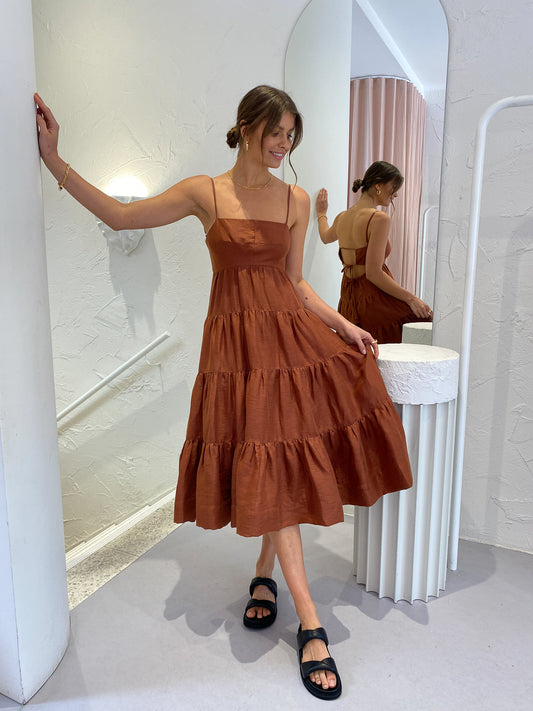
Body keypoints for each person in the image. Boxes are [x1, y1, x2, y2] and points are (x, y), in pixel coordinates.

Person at [35, 87, 413, 701]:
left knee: (280, 458)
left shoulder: (293, 199)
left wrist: (345, 327)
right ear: (246, 125)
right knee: (270, 457)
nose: (284, 143)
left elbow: (295, 284)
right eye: (275, 131)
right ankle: (270, 579)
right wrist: (55, 160)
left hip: (287, 346)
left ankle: (307, 622)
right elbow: (122, 217)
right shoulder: (205, 192)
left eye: (291, 134)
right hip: (236, 352)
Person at [316, 161, 433, 344]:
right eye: (394, 187)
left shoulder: (342, 217)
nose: (395, 194)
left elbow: (325, 236)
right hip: (373, 299)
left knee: (362, 350)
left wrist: (321, 213)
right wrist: (412, 299)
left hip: (349, 299)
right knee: (425, 322)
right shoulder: (379, 218)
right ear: (378, 186)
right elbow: (373, 273)